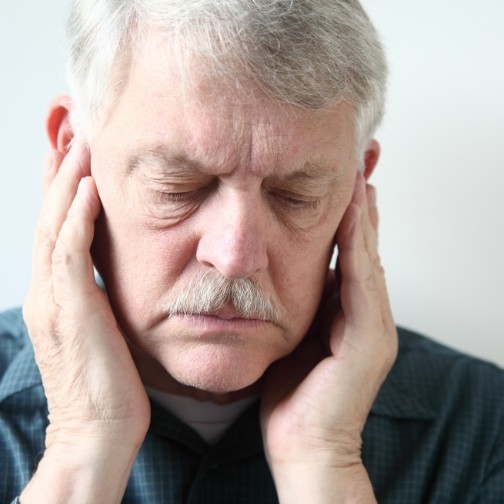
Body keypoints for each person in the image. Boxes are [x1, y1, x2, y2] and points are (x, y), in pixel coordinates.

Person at [0, 0, 502, 502]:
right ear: (72, 153)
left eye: (295, 195)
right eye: (178, 186)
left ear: (357, 182)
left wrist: (326, 461)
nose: (236, 256)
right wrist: (82, 447)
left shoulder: (483, 429)